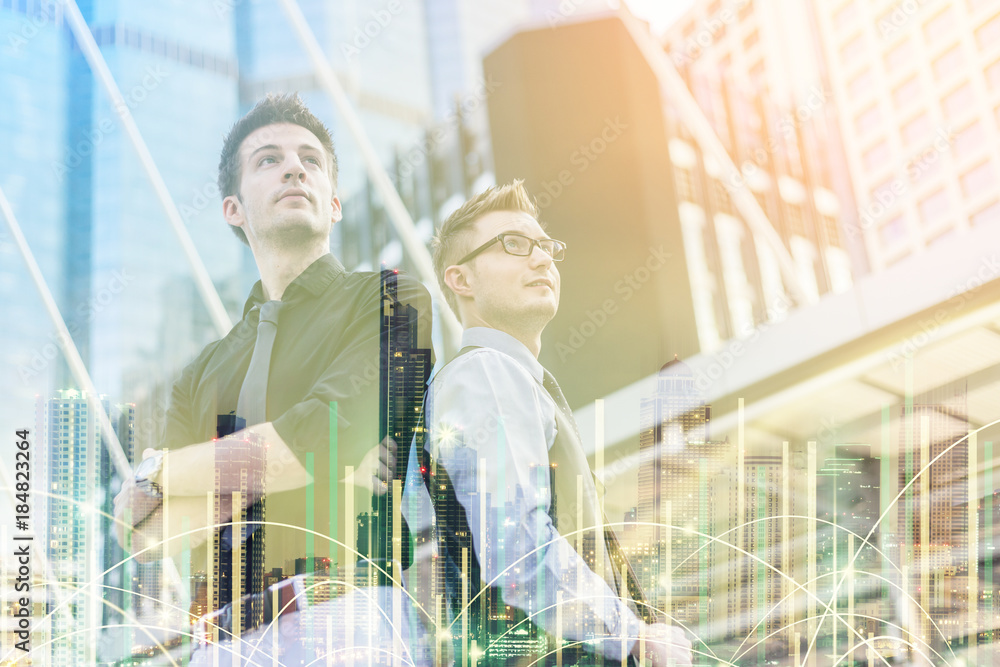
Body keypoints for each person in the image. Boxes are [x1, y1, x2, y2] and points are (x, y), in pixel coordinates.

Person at [114, 93, 433, 666]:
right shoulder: (200, 372)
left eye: (310, 159)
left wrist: (162, 471)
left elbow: (324, 436)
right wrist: (298, 462)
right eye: (268, 159)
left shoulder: (392, 299)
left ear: (333, 204)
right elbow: (149, 536)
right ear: (233, 209)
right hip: (220, 640)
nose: (294, 167)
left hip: (346, 617)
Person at [409, 180, 693, 666]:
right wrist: (635, 637)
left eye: (546, 247)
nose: (541, 259)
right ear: (461, 280)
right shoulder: (487, 372)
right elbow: (518, 549)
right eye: (514, 245)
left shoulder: (514, 381)